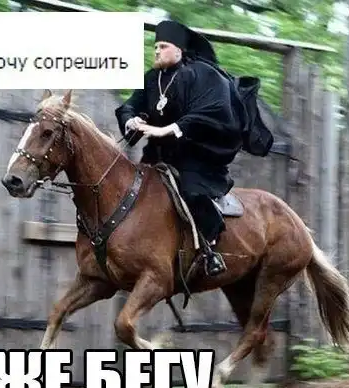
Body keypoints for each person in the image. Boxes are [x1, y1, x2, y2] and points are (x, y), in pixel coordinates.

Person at [115, 19, 273, 277]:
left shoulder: (201, 74)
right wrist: (131, 119)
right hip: (157, 157)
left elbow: (213, 110)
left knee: (192, 193)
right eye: (155, 47)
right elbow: (130, 105)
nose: (156, 51)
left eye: (163, 47)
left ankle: (210, 249)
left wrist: (171, 128)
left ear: (178, 50)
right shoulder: (152, 78)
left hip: (196, 159)